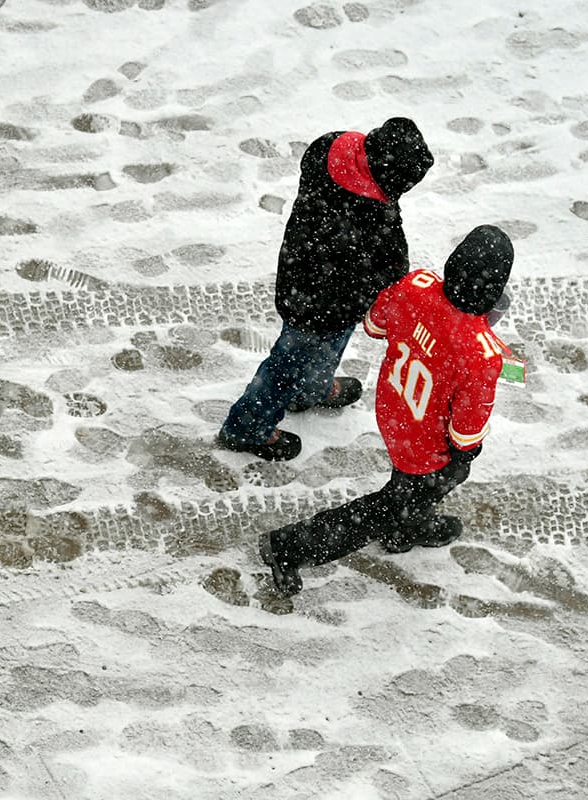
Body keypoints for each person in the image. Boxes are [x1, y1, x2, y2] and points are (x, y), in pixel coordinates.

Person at [259, 225, 515, 597]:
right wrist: (464, 455)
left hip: (394, 408)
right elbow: (465, 432)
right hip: (425, 442)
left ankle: (407, 528)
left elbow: (375, 325)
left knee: (411, 492)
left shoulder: (417, 285)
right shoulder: (481, 353)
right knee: (396, 502)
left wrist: (423, 330)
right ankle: (288, 547)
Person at [217, 117, 435, 461]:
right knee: (287, 365)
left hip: (303, 282)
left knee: (323, 347)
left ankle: (311, 389)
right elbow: (388, 264)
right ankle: (247, 427)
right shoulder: (368, 214)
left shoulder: (332, 149)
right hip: (323, 302)